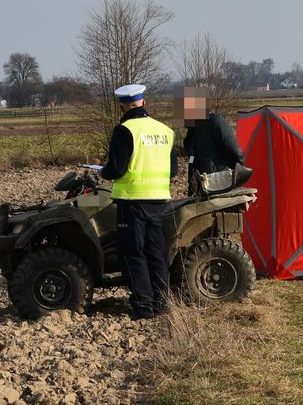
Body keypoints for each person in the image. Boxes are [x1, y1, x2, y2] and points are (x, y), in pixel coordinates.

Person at [101, 84, 177, 320]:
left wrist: (103, 172)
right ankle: (162, 303)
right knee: (155, 252)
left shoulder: (125, 130)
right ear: (144, 102)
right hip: (158, 202)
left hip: (132, 202)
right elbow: (173, 170)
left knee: (133, 253)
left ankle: (143, 306)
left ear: (122, 106)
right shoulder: (166, 131)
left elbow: (116, 168)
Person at [175, 87, 244, 195]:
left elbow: (235, 153)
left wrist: (236, 176)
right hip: (201, 190)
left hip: (221, 184)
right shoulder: (190, 135)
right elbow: (192, 164)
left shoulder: (215, 122)